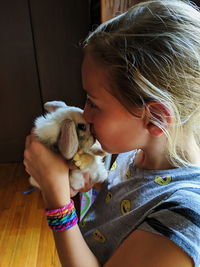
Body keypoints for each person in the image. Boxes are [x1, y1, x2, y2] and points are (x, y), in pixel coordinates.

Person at [23, 0, 200, 266]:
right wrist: (80, 177)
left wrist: (57, 200)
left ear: (155, 118)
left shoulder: (182, 220)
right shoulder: (135, 150)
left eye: (94, 103)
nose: (85, 113)